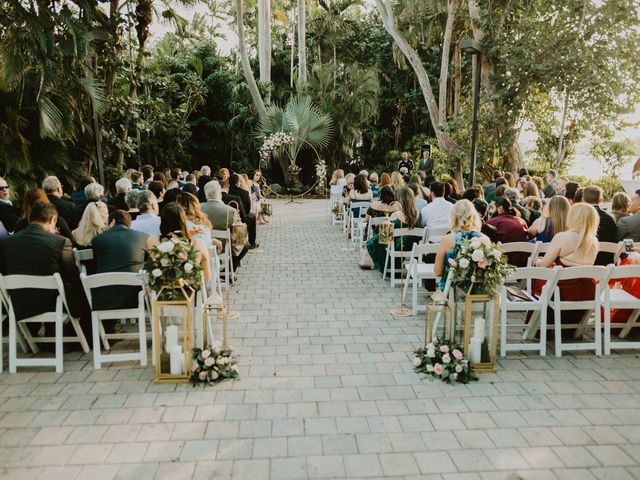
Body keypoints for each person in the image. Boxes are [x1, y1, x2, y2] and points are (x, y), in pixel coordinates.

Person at [0, 202, 90, 338]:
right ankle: (85, 335)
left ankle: (36, 338)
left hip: (19, 303)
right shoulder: (60, 242)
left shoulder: (7, 243)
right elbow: (73, 275)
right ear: (52, 219)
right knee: (79, 287)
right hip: (53, 304)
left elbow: (4, 271)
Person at [534, 203, 600, 327]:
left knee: (543, 276)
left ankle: (539, 324)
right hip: (587, 292)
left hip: (561, 293)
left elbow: (543, 265)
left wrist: (537, 261)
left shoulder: (562, 237)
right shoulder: (594, 242)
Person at [91, 210, 148, 333]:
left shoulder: (98, 240)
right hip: (135, 297)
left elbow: (97, 264)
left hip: (103, 300)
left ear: (113, 221)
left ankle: (107, 332)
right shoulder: (142, 237)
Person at [147, 202, 210, 285]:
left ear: (162, 221)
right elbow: (206, 278)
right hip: (190, 293)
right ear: (183, 221)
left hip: (161, 292)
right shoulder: (198, 244)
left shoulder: (152, 241)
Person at [434, 200, 488, 289]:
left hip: (451, 291)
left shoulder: (447, 239)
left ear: (454, 217)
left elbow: (438, 272)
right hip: (477, 292)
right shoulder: (484, 239)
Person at [366, 186, 421, 273]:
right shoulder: (418, 212)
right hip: (414, 246)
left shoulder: (396, 215)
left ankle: (386, 266)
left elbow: (386, 238)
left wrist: (385, 224)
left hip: (399, 247)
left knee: (372, 243)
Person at [200, 181, 248, 269]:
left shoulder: (198, 208)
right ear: (220, 194)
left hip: (203, 242)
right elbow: (239, 233)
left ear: (205, 193)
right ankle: (230, 269)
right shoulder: (231, 210)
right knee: (245, 243)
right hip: (223, 245)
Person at [582, 185, 617, 265]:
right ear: (600, 200)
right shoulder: (609, 219)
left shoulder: (580, 218)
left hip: (584, 264)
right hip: (606, 264)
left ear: (582, 200)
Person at [229, 174, 258, 249]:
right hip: (241, 218)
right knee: (252, 216)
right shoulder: (244, 192)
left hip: (228, 217)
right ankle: (252, 242)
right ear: (238, 182)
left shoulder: (227, 192)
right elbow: (248, 208)